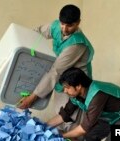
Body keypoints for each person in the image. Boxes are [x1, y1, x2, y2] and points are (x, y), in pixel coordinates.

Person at [18, 4, 94, 132]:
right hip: (62, 79)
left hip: (76, 84)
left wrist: (33, 97)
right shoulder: (55, 26)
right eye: (62, 24)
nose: (64, 29)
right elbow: (36, 33)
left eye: (69, 25)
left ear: (78, 23)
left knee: (71, 119)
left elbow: (55, 72)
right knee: (60, 112)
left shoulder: (76, 44)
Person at [47, 67, 120, 141]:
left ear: (78, 86)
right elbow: (65, 114)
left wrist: (62, 135)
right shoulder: (77, 95)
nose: (64, 91)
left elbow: (84, 128)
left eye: (67, 87)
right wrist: (43, 126)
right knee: (90, 136)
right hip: (112, 118)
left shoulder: (97, 95)